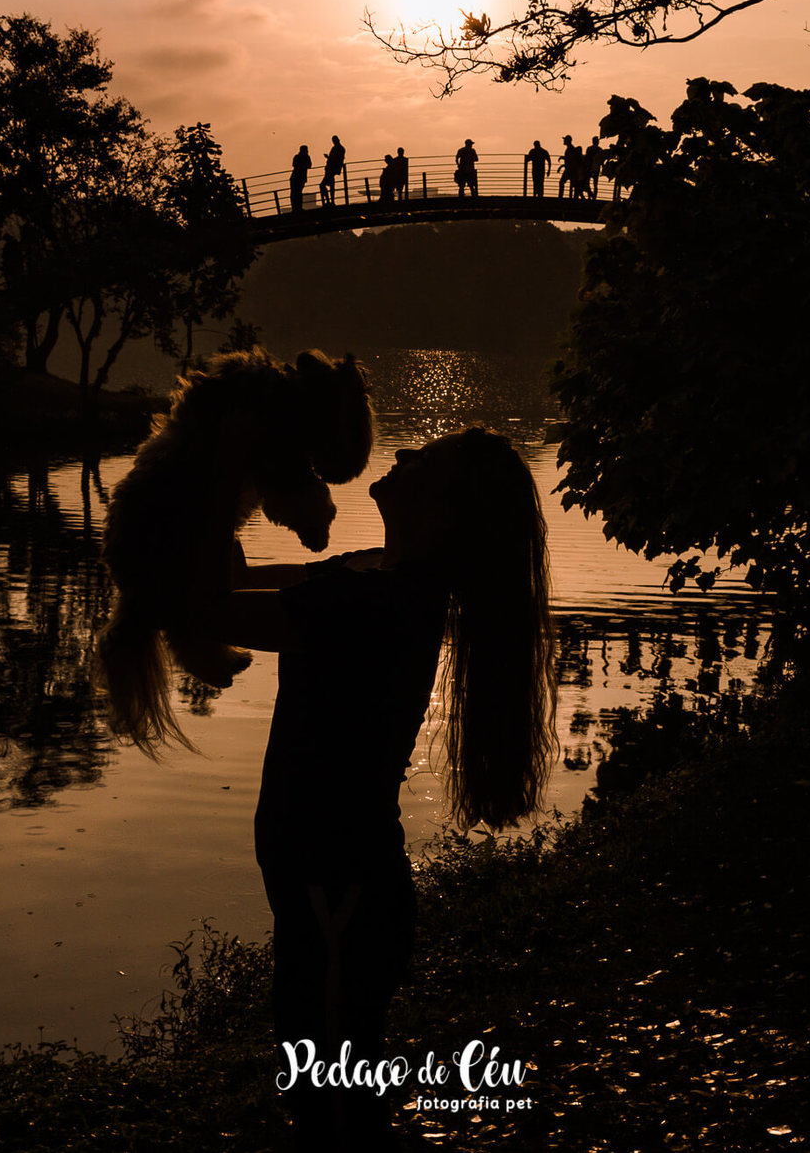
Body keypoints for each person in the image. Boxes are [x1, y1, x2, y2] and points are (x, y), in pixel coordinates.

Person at [217, 430, 558, 1150]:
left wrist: (160, 557)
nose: (400, 458)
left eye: (421, 461)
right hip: (330, 894)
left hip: (341, 893)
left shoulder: (383, 601)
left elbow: (208, 614)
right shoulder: (372, 578)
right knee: (330, 1099)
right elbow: (231, 587)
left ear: (442, 515)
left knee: (335, 1115)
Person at [319, 135, 346, 207]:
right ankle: (331, 202)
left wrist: (328, 157)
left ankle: (328, 202)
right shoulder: (338, 148)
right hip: (331, 169)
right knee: (331, 185)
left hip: (332, 169)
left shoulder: (339, 149)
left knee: (322, 185)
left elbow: (336, 160)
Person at [557, 135, 582, 201]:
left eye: (565, 140)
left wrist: (563, 158)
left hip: (570, 170)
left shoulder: (570, 149)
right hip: (570, 169)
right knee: (572, 184)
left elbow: (570, 159)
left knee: (563, 182)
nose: (564, 141)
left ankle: (561, 198)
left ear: (568, 141)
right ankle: (571, 198)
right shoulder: (570, 148)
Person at [582, 134, 605, 200]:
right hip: (596, 168)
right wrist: (602, 168)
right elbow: (601, 160)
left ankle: (590, 195)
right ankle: (594, 197)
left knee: (587, 183)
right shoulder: (600, 149)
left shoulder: (589, 149)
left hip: (589, 168)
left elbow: (586, 158)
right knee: (595, 184)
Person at [290, 145, 311, 213]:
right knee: (298, 193)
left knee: (295, 193)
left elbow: (294, 164)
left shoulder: (297, 157)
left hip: (295, 177)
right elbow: (309, 165)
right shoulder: (306, 157)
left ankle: (295, 208)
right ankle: (297, 208)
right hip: (300, 177)